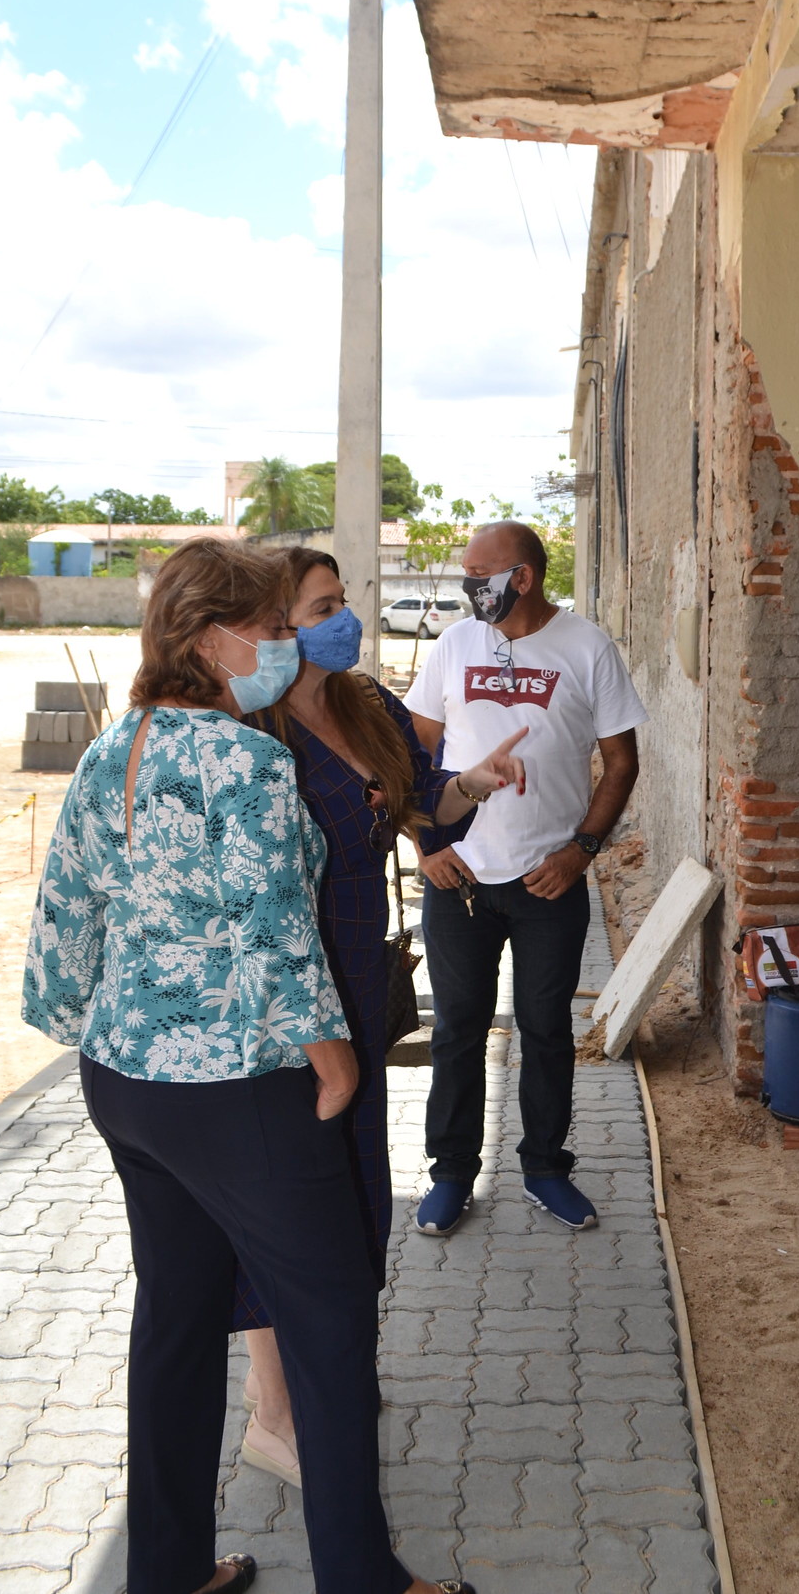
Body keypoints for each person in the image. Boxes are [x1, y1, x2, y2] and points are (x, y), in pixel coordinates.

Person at [21, 537, 474, 1594]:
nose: (285, 645)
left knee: (175, 1324)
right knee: (328, 1323)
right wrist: (337, 1065)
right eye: (270, 630)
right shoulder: (250, 762)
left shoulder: (114, 748)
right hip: (243, 1091)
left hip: (128, 1085)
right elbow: (276, 935)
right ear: (207, 640)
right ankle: (364, 1579)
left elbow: (64, 923)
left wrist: (98, 1024)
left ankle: (166, 1573)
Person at [236, 545, 527, 1488]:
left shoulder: (362, 703)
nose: (342, 617)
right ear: (278, 621)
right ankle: (271, 1412)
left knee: (354, 1182)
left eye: (341, 600)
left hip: (359, 977)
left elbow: (423, 806)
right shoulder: (256, 726)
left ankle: (333, 1374)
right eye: (321, 605)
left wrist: (476, 780)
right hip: (288, 996)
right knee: (286, 1199)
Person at [404, 520, 645, 1235]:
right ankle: (450, 1173)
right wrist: (424, 843)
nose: (466, 583)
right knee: (456, 1031)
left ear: (523, 577)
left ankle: (545, 1167)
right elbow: (411, 757)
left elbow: (621, 761)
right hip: (460, 879)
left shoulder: (586, 647)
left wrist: (581, 852)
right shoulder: (453, 645)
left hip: (550, 882)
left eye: (480, 571)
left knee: (543, 1031)